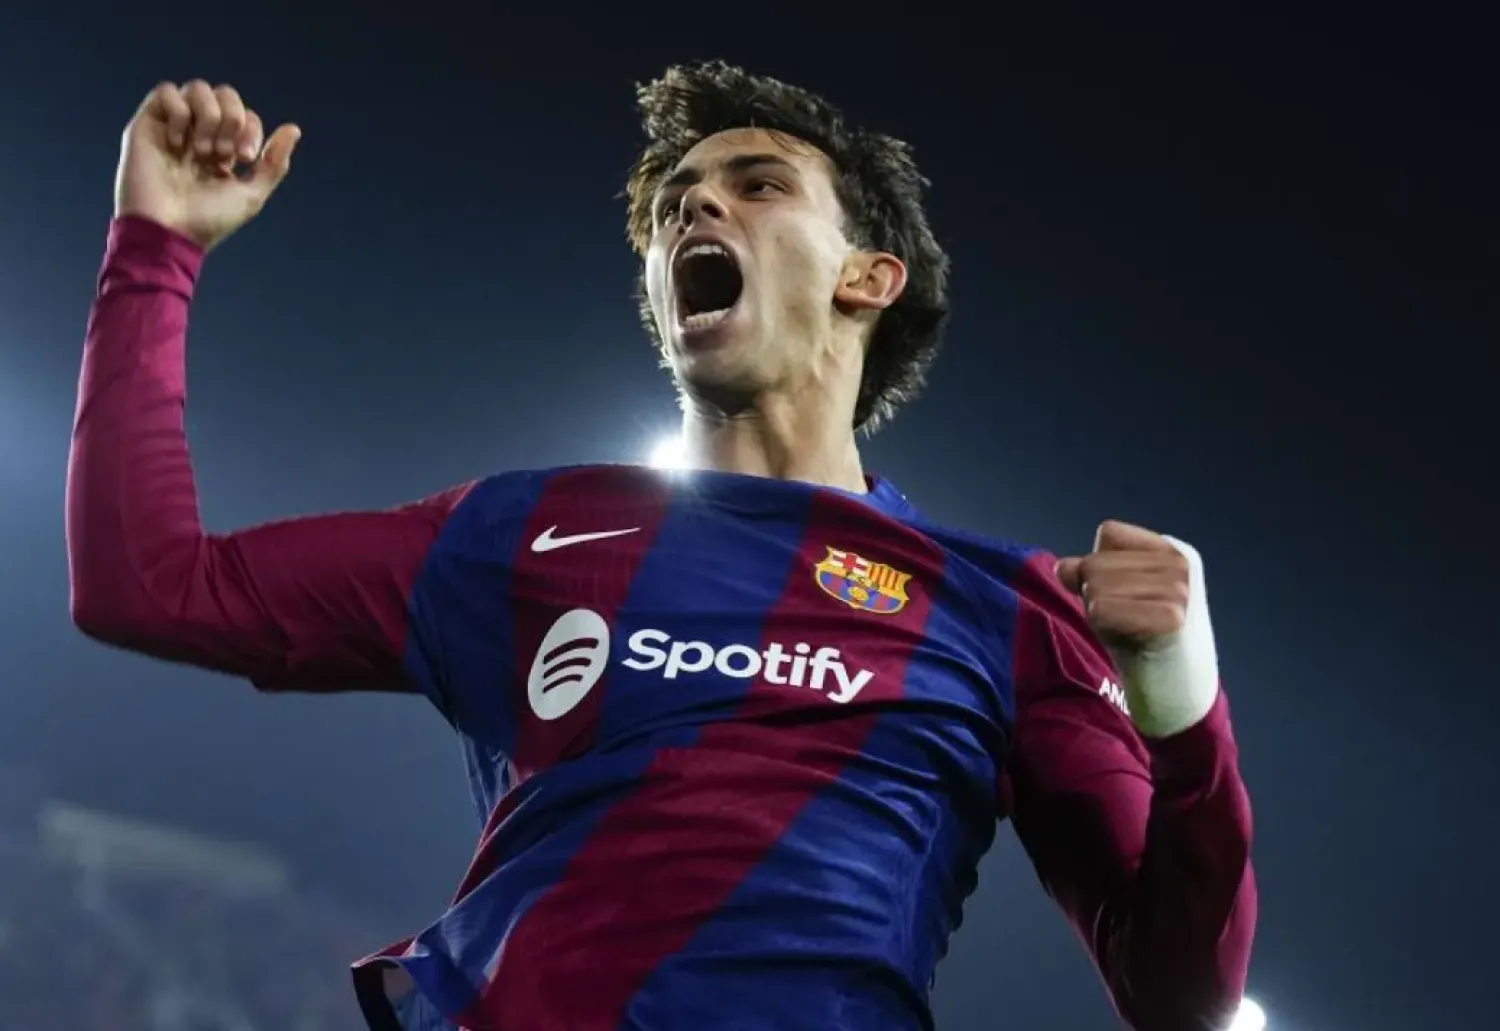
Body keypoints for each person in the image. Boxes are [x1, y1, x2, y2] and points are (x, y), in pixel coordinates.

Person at [68, 63, 1256, 1031]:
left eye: (758, 184)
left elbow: (1177, 997)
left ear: (867, 277)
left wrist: (1183, 705)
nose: (699, 206)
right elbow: (149, 586)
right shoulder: (516, 532)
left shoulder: (1004, 610)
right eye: (676, 199)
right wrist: (155, 246)